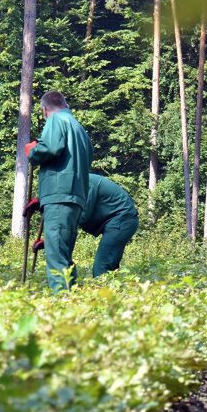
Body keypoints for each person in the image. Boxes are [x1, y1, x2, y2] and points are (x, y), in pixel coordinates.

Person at [25, 91, 92, 291]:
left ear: (45, 110)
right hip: (76, 197)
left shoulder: (55, 121)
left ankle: (61, 309)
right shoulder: (80, 129)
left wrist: (33, 151)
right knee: (64, 256)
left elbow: (51, 148)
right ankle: (71, 304)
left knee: (56, 260)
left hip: (59, 196)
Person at [80, 174, 138, 277]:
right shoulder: (83, 181)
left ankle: (101, 291)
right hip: (120, 220)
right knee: (110, 269)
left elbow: (83, 216)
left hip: (122, 220)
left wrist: (56, 236)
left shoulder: (86, 183)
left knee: (101, 266)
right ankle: (115, 291)